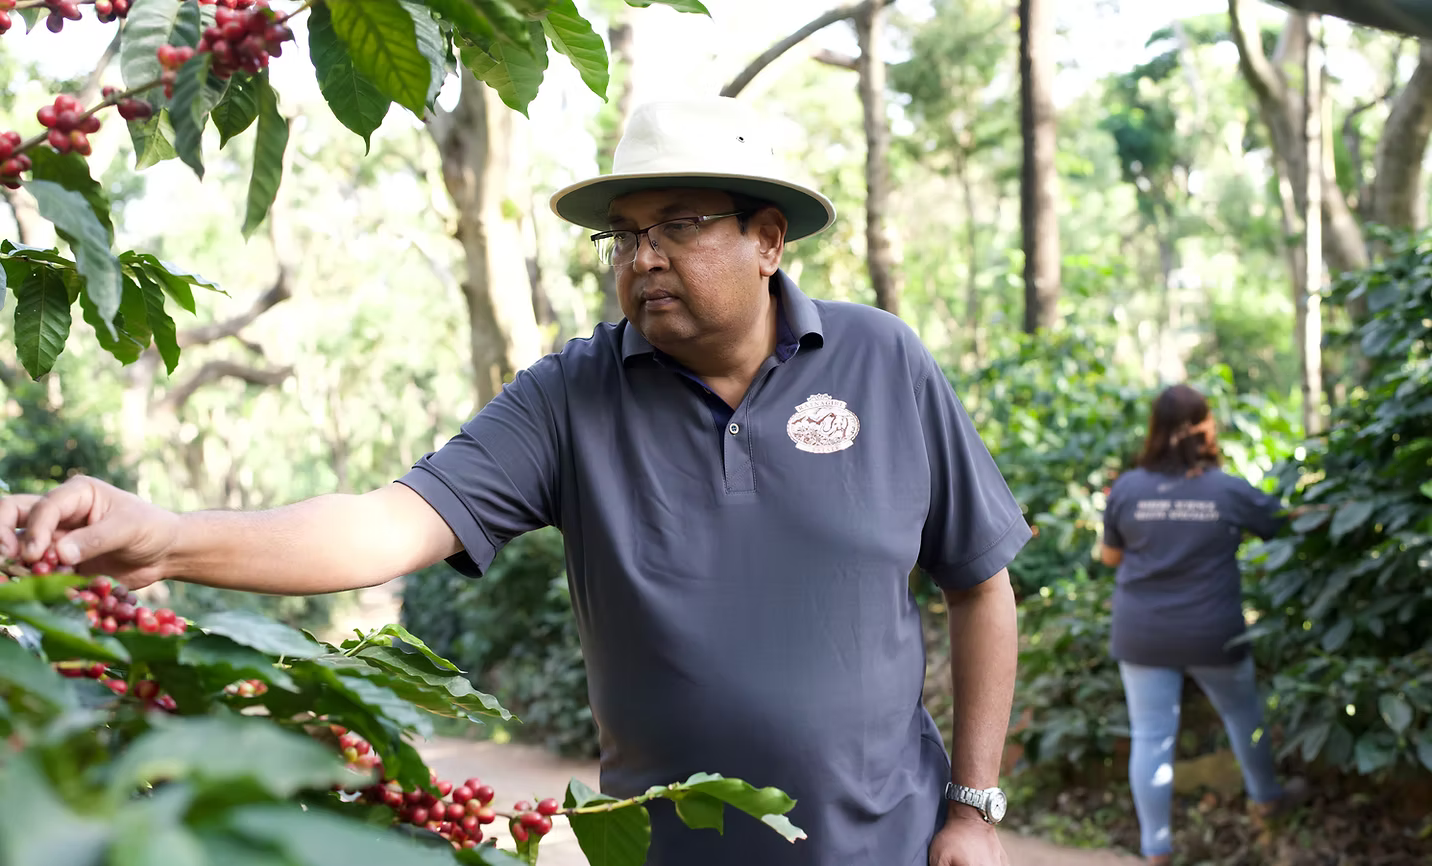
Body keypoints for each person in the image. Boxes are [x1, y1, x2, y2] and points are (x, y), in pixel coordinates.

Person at [0, 97, 1031, 866]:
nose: (644, 257)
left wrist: (973, 808)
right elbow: (382, 524)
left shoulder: (883, 362)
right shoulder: (571, 396)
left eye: (679, 223)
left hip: (892, 845)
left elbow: (980, 581)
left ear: (767, 239)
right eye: (625, 234)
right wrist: (169, 534)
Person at [1099, 384, 1308, 865]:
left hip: (1142, 632)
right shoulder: (1227, 489)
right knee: (1243, 715)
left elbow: (1111, 556)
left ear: (1154, 429)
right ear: (1206, 427)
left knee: (1151, 736)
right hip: (1213, 631)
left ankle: (1156, 851)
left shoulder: (1128, 488)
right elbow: (1285, 524)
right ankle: (1268, 800)